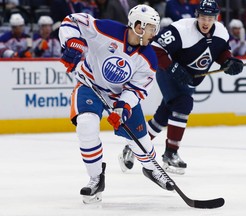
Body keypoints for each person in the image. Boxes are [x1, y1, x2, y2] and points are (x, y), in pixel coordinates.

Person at [59, 4, 173, 204]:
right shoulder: (106, 29)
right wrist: (73, 43)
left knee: (142, 142)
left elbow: (137, 89)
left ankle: (152, 169)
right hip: (90, 84)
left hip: (119, 96)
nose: (154, 34)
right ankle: (96, 178)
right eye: (151, 28)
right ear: (138, 26)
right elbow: (71, 20)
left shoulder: (149, 58)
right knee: (86, 125)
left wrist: (122, 108)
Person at [119, 0, 244, 175]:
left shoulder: (221, 31)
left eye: (210, 18)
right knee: (183, 104)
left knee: (164, 116)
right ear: (197, 16)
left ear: (216, 18)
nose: (206, 22)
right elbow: (156, 48)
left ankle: (133, 146)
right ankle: (171, 153)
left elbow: (222, 51)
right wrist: (173, 68)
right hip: (168, 73)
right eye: (203, 17)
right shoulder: (181, 29)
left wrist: (229, 62)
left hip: (190, 79)